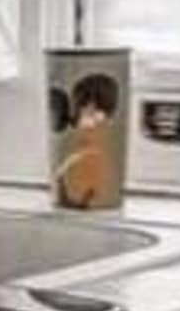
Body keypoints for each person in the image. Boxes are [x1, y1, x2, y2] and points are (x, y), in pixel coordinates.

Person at [50, 70, 124, 210]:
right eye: (83, 111)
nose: (86, 121)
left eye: (93, 113)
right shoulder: (77, 152)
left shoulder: (93, 156)